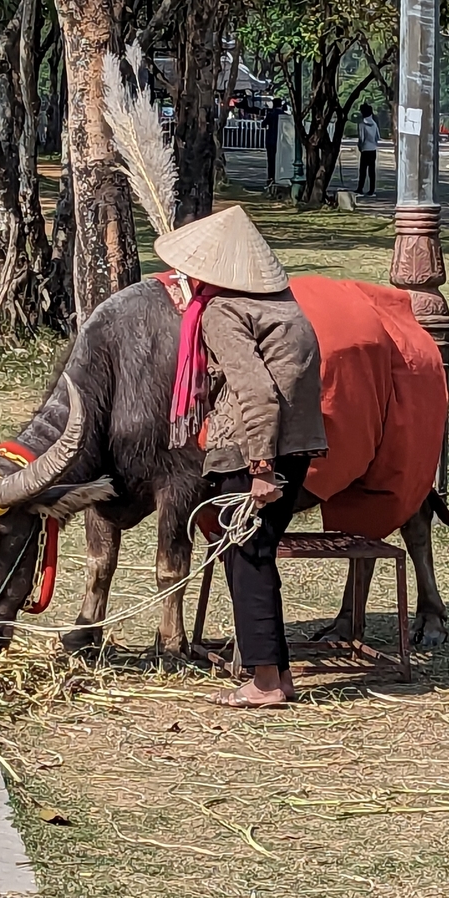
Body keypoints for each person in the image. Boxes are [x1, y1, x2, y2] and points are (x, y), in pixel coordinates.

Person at [154, 206, 327, 708]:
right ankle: (277, 674)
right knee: (253, 554)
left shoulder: (223, 312)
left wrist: (259, 468)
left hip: (252, 451)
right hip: (295, 445)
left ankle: (267, 682)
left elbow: (257, 392)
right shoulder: (283, 305)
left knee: (247, 557)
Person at [356, 103, 380, 196]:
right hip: (373, 149)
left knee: (363, 170)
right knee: (371, 170)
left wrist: (360, 146)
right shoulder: (374, 123)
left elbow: (361, 138)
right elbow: (378, 136)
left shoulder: (362, 124)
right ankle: (371, 189)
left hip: (365, 149)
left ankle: (360, 188)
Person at [262, 98, 285, 185]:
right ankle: (279, 176)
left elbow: (263, 124)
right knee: (280, 160)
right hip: (281, 141)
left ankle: (270, 177)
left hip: (270, 140)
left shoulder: (270, 114)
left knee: (271, 160)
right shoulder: (284, 115)